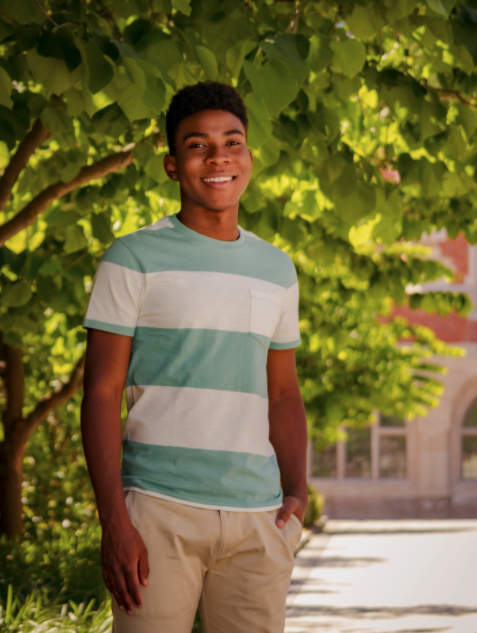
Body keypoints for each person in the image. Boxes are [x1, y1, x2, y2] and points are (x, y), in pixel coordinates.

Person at [80, 81, 308, 633]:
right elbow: (101, 392)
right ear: (172, 165)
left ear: (248, 156)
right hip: (158, 513)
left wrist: (297, 497)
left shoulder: (277, 268)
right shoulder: (132, 257)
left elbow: (282, 393)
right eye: (198, 145)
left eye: (232, 142)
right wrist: (115, 521)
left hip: (257, 518)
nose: (218, 158)